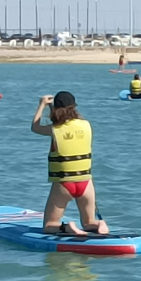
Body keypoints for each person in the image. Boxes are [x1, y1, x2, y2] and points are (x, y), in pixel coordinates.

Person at [30, 91, 105, 236]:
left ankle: (67, 228)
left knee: (49, 226)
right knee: (88, 222)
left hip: (64, 184)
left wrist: (42, 105)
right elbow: (65, 127)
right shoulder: (86, 125)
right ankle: (99, 224)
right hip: (86, 183)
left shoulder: (55, 130)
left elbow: (35, 127)